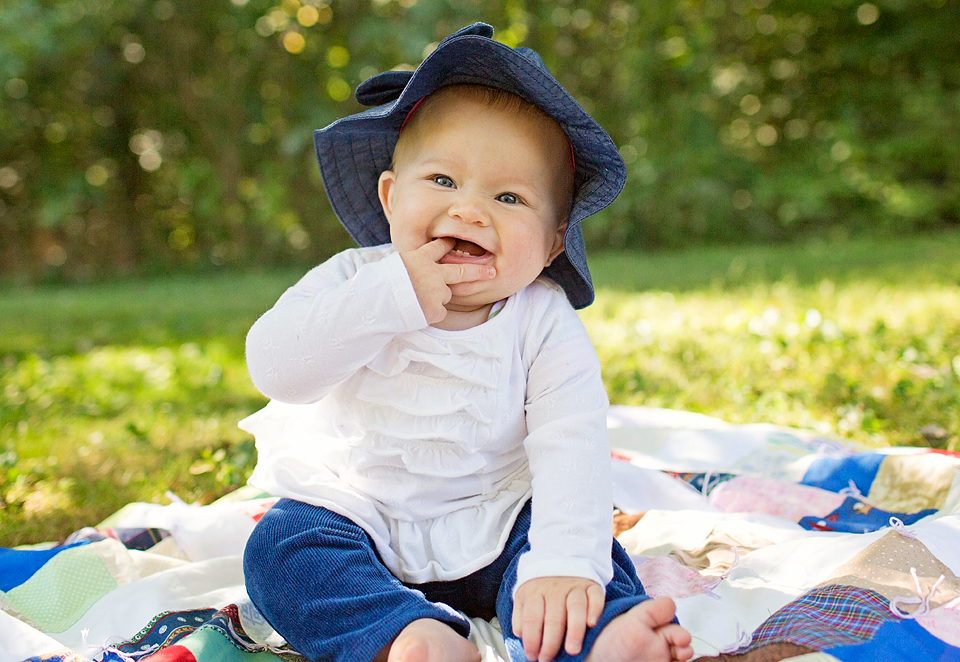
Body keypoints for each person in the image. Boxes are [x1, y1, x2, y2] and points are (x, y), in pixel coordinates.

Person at [240, 23, 693, 662]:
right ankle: (404, 634)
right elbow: (277, 369)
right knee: (281, 551)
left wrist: (564, 560)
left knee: (578, 551)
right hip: (359, 516)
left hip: (499, 518)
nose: (470, 211)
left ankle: (600, 637)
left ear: (551, 244)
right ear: (392, 199)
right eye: (444, 182)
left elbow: (573, 441)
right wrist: (387, 299)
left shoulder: (541, 318)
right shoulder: (352, 281)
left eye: (508, 196)